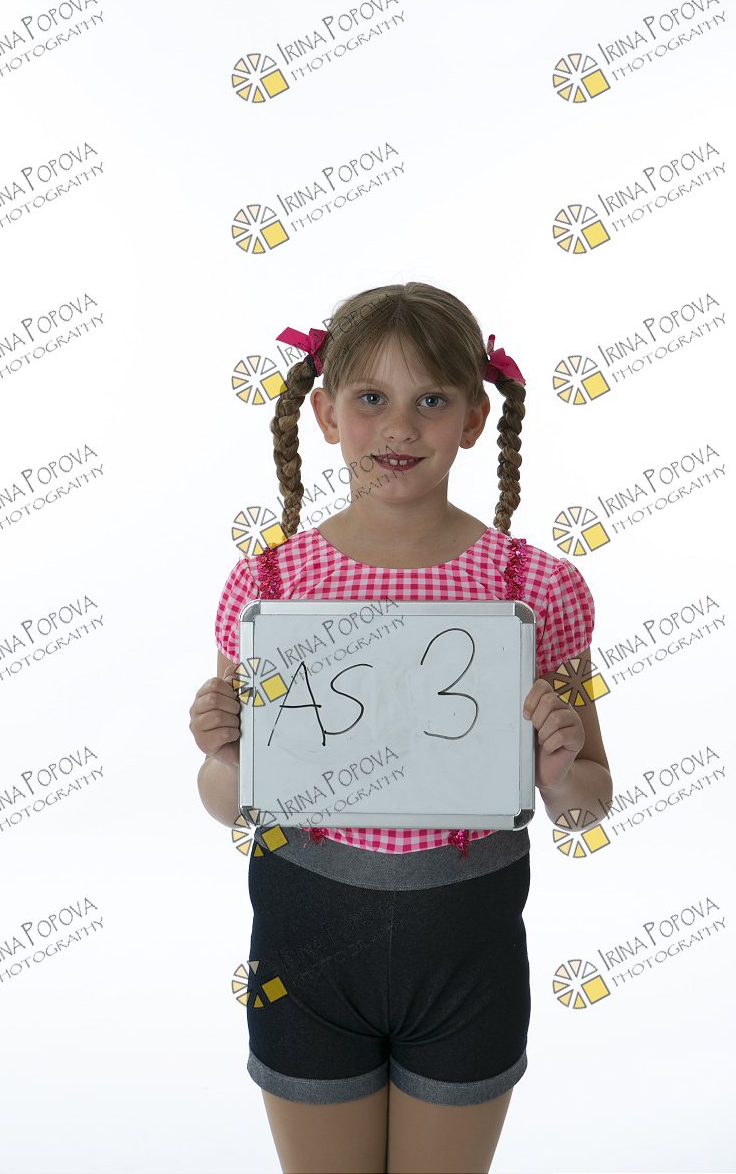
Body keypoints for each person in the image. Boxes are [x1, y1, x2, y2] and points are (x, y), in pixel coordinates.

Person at [189, 282, 613, 1174]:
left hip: (468, 949)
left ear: (474, 418)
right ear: (325, 413)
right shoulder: (269, 585)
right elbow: (228, 805)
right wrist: (226, 755)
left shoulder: (538, 587)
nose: (400, 427)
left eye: (431, 401)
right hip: (305, 937)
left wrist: (559, 762)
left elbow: (587, 805)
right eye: (372, 397)